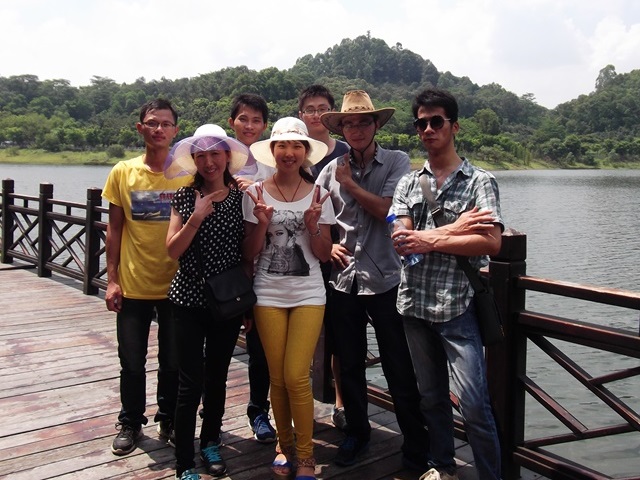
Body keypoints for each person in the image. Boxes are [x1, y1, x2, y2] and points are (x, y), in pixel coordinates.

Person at [389, 88, 504, 480]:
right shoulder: (408, 183)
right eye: (421, 123)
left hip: (458, 306)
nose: (428, 129)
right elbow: (401, 241)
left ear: (454, 126)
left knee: (473, 405)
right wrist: (456, 229)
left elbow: (490, 242)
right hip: (414, 304)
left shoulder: (480, 182)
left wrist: (427, 239)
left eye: (437, 121)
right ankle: (443, 467)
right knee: (431, 398)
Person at [316, 90, 431, 470]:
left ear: (375, 124)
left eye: (364, 122)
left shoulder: (396, 162)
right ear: (341, 128)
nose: (357, 129)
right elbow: (317, 218)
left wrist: (350, 185)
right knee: (348, 363)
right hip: (344, 279)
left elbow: (389, 211)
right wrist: (330, 244)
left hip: (386, 279)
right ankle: (357, 433)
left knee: (399, 366)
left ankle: (415, 446)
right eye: (349, 123)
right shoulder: (329, 171)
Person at [242, 117, 335, 480]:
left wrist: (313, 226)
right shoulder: (255, 194)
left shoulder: (319, 195)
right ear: (273, 150)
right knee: (277, 377)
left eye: (297, 146)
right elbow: (249, 252)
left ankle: (307, 456)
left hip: (309, 292)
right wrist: (263, 223)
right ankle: (284, 445)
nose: (289, 152)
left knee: (296, 374)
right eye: (282, 145)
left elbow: (324, 255)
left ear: (306, 152)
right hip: (267, 292)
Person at [163, 124, 250, 480]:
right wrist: (196, 217)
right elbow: (173, 250)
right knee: (189, 382)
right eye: (201, 156)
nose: (209, 162)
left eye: (215, 154)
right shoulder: (184, 197)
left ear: (227, 156)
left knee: (217, 377)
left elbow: (247, 253)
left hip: (226, 303)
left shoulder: (241, 197)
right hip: (187, 299)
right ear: (194, 159)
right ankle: (184, 460)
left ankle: (211, 442)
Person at [103, 98, 189, 456]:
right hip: (134, 284)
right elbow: (114, 229)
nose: (159, 129)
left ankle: (168, 418)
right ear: (140, 128)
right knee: (131, 361)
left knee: (173, 361)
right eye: (152, 123)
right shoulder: (123, 172)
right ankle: (131, 421)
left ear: (175, 131)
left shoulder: (187, 174)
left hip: (177, 286)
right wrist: (112, 280)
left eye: (166, 124)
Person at [222, 93, 279, 444]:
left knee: (259, 347)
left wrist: (255, 190)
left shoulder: (269, 164)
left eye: (256, 120)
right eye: (243, 118)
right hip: (220, 266)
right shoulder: (217, 159)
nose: (249, 125)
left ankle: (258, 410)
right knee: (215, 346)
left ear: (264, 126)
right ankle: (207, 415)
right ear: (232, 122)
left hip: (258, 264)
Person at [298, 84, 350, 431]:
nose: (316, 114)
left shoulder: (345, 151)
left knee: (339, 334)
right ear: (301, 114)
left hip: (338, 259)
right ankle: (293, 404)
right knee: (298, 334)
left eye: (322, 108)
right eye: (310, 109)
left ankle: (341, 403)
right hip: (297, 259)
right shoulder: (292, 150)